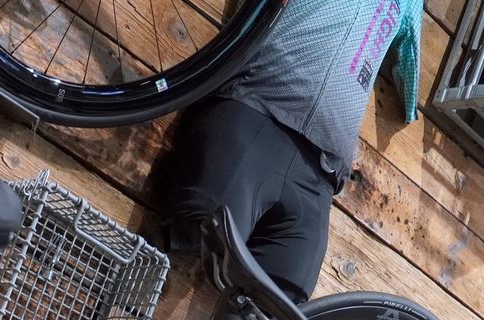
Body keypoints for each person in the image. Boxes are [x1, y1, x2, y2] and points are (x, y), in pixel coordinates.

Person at [162, 0, 424, 303]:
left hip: (318, 178)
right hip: (255, 113)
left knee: (280, 308)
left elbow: (409, 74)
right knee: (196, 234)